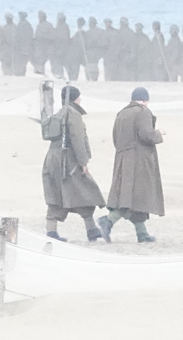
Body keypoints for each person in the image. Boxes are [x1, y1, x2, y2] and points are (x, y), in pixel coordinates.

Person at [41, 85, 108, 242]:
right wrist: (83, 162)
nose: (81, 99)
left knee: (57, 195)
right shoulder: (73, 114)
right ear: (75, 98)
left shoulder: (60, 113)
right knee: (85, 191)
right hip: (68, 160)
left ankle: (53, 232)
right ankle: (91, 229)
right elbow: (78, 140)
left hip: (53, 159)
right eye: (79, 96)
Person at [100, 86, 166, 243]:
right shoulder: (143, 111)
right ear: (144, 100)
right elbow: (146, 134)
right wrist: (159, 133)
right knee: (134, 197)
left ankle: (142, 233)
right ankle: (108, 221)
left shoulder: (122, 113)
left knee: (131, 197)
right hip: (139, 161)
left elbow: (115, 137)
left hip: (122, 159)